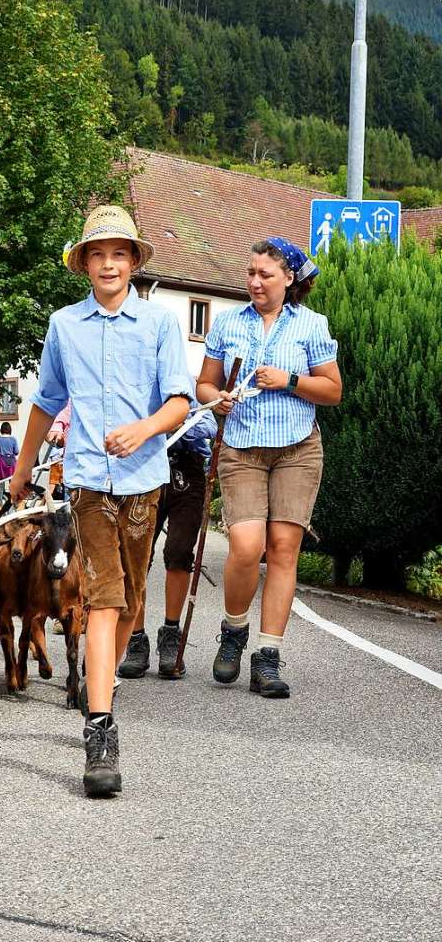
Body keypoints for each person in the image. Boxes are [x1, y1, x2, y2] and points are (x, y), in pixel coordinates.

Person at [9, 204, 192, 798]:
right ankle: (100, 729)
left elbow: (180, 403)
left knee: (132, 601)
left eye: (119, 253)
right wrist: (21, 468)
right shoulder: (65, 326)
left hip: (145, 479)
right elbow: (44, 401)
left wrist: (143, 430)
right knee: (104, 598)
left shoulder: (161, 323)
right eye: (98, 254)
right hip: (87, 481)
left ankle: (103, 681)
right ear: (84, 264)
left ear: (134, 262)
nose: (108, 263)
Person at [196, 236, 342, 699]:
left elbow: (333, 390)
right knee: (245, 545)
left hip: (297, 448)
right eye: (251, 273)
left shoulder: (312, 326)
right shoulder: (226, 323)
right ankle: (235, 628)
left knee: (282, 549)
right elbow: (204, 384)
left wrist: (290, 380)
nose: (255, 282)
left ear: (289, 279)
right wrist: (215, 400)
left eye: (265, 274)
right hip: (241, 446)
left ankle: (267, 657)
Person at [118, 405, 217, 679]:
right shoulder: (139, 389)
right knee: (136, 556)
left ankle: (171, 634)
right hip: (143, 468)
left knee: (179, 550)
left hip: (187, 470)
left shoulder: (188, 390)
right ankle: (136, 640)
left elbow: (208, 426)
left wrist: (170, 421)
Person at [0, 421, 19, 503]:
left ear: (1, 429)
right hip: (12, 461)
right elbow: (16, 451)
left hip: (0, 462)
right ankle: (14, 504)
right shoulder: (13, 439)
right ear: (10, 429)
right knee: (13, 484)